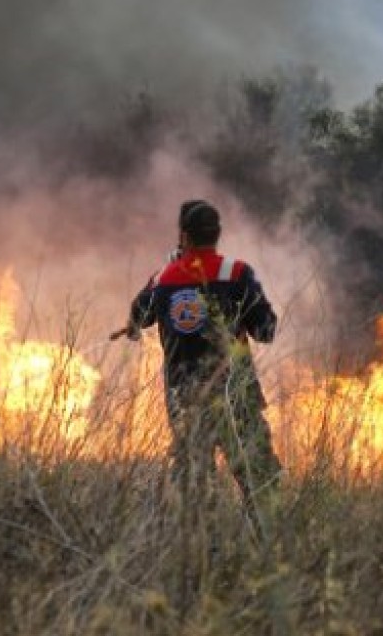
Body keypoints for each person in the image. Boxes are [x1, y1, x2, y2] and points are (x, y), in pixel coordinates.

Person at [121, 199, 282, 542]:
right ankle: (269, 547)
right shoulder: (237, 274)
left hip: (184, 398)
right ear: (217, 234)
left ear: (184, 236)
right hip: (236, 393)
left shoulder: (163, 279)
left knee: (195, 483)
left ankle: (203, 553)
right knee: (258, 476)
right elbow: (266, 331)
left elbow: (137, 318)